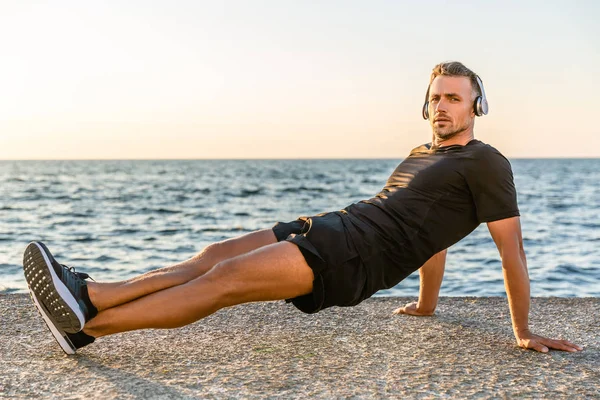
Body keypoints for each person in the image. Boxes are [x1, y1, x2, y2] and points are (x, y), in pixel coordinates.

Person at [23, 61, 582, 355]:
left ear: (475, 106)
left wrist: (523, 331)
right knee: (213, 254)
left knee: (225, 280)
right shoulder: (423, 153)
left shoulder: (488, 163)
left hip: (356, 256)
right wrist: (427, 305)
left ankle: (89, 328)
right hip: (338, 224)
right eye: (435, 96)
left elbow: (512, 253)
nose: (441, 105)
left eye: (453, 97)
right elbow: (432, 236)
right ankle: (91, 295)